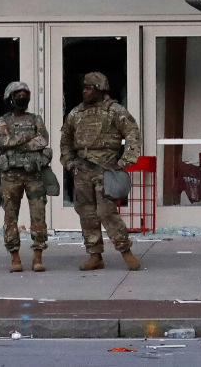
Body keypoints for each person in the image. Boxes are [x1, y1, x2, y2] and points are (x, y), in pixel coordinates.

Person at [60, 72, 142, 271]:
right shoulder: (76, 113)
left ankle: (125, 250)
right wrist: (70, 164)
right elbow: (66, 140)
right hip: (82, 170)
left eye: (88, 88)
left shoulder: (114, 111)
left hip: (105, 171)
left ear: (99, 89)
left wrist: (124, 161)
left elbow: (133, 133)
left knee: (106, 212)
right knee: (86, 214)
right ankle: (94, 255)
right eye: (84, 88)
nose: (84, 91)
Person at [0, 81, 50, 273]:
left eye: (25, 93)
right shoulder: (2, 120)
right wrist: (27, 139)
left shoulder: (36, 119)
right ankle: (14, 257)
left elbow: (43, 140)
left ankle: (38, 257)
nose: (21, 97)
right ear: (10, 98)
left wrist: (18, 143)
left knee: (38, 216)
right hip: (11, 175)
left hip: (33, 174)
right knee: (10, 216)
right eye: (17, 94)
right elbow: (3, 141)